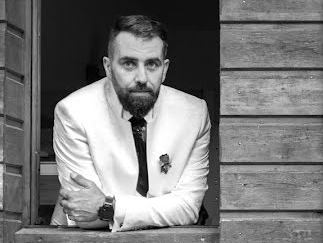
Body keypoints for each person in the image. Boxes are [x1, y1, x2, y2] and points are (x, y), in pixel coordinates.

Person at [51, 15, 210, 231]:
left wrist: (109, 208)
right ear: (108, 67)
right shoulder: (73, 112)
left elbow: (188, 208)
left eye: (152, 64)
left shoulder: (195, 113)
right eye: (129, 63)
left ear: (165, 69)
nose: (142, 77)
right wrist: (164, 210)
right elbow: (82, 212)